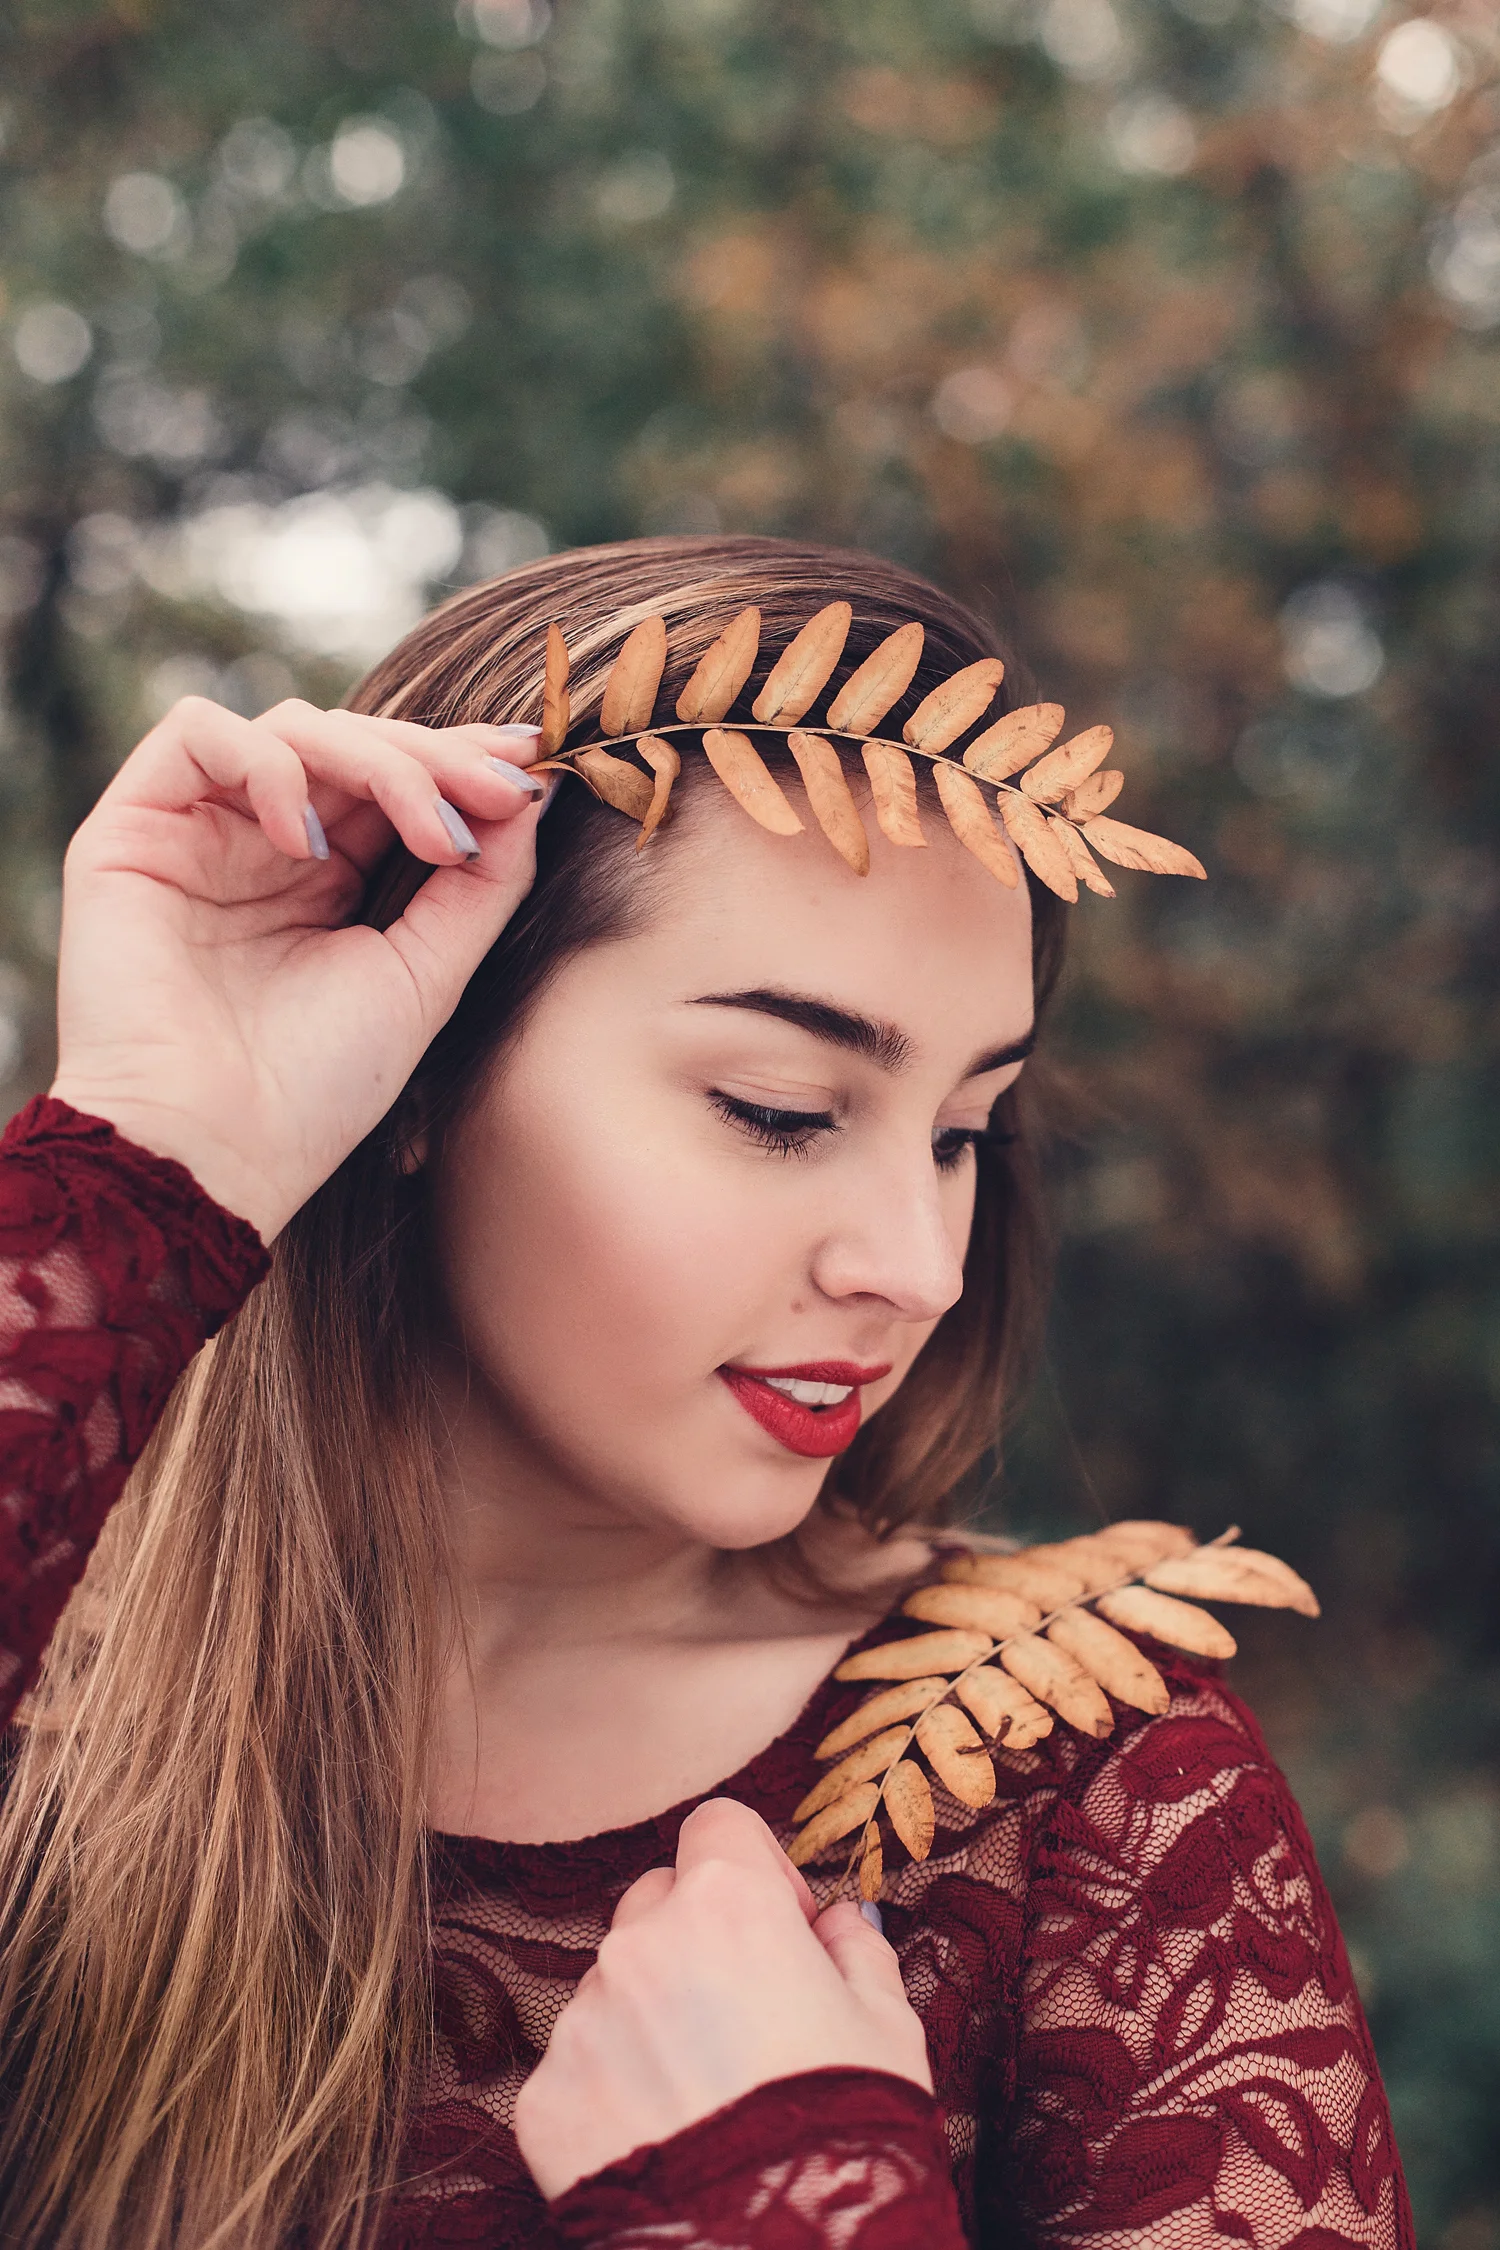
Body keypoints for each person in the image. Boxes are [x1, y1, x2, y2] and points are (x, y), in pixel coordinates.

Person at [0, 535, 1410, 2248]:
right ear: (418, 1071)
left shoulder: (1090, 1802)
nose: (921, 1262)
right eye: (780, 1105)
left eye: (965, 1132)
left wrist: (786, 2194)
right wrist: (161, 1139)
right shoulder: (52, 1716)